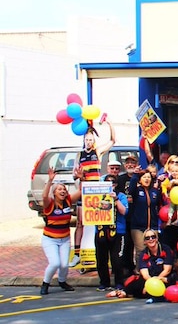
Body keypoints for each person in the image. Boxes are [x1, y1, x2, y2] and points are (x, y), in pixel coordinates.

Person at [70, 119, 115, 267]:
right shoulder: (79, 154)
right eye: (87, 139)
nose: (89, 142)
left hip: (96, 191)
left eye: (91, 139)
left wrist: (110, 124)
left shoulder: (98, 152)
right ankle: (77, 254)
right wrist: (78, 175)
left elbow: (112, 140)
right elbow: (74, 175)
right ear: (83, 140)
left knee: (101, 221)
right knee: (80, 222)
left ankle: (103, 254)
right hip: (84, 190)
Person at [40, 168, 82, 294]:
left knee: (64, 265)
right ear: (54, 193)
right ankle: (45, 283)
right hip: (50, 239)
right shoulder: (49, 204)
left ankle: (62, 281)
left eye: (64, 189)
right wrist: (50, 180)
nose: (63, 191)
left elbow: (80, 191)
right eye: (59, 189)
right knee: (55, 263)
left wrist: (81, 178)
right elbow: (44, 195)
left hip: (64, 239)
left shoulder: (68, 201)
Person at [95, 173, 128, 292]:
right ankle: (104, 282)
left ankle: (119, 283)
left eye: (112, 182)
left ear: (116, 184)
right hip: (101, 230)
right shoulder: (98, 196)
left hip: (118, 231)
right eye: (107, 182)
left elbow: (124, 211)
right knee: (101, 258)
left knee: (117, 259)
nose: (110, 185)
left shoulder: (121, 196)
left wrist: (116, 199)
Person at [122, 229, 175, 301]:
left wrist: (157, 281)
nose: (151, 239)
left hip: (164, 277)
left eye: (153, 237)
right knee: (136, 284)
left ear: (156, 239)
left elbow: (167, 270)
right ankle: (123, 292)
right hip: (149, 279)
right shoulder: (143, 254)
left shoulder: (166, 249)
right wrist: (151, 284)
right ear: (144, 242)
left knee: (172, 282)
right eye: (147, 238)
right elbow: (145, 275)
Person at [127, 169, 162, 265]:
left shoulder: (155, 192)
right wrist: (135, 175)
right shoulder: (136, 191)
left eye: (148, 177)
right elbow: (130, 190)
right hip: (138, 227)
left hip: (152, 226)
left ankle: (154, 271)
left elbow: (159, 206)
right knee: (141, 251)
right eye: (144, 177)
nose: (146, 179)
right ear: (140, 179)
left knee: (154, 249)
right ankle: (140, 272)